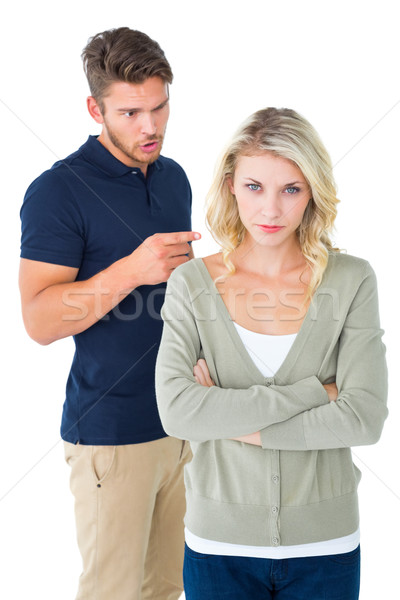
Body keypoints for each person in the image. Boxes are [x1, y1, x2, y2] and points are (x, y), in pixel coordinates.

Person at [155, 107, 388, 599]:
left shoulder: (352, 281)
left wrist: (223, 415)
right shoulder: (191, 284)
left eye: (291, 189)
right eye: (255, 187)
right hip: (217, 545)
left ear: (313, 193)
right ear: (231, 186)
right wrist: (314, 393)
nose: (271, 211)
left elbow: (363, 419)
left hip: (325, 547)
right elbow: (176, 411)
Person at [19, 27, 199, 600]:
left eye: (159, 106)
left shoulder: (173, 178)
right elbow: (39, 321)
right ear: (95, 108)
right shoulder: (57, 192)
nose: (150, 127)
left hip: (182, 425)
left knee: (165, 589)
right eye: (129, 113)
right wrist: (132, 269)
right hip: (111, 438)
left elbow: (177, 298)